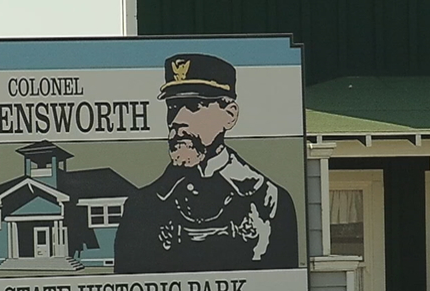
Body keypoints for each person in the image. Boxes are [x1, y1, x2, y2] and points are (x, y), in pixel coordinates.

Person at [114, 53, 299, 274]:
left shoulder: (269, 200)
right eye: (173, 107)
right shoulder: (142, 206)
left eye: (194, 106)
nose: (176, 120)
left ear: (229, 115)